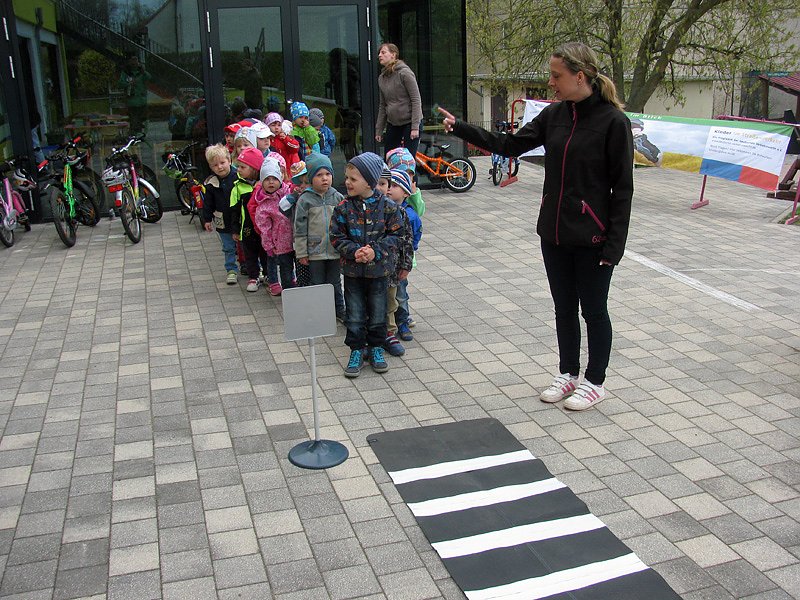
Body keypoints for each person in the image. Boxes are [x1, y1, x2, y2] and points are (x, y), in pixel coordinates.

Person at [439, 42, 634, 411]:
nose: (550, 82)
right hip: (554, 233)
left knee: (593, 310)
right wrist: (463, 129)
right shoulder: (555, 115)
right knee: (563, 307)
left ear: (579, 76)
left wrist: (614, 245)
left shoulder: (613, 122)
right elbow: (510, 145)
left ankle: (595, 381)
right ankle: (568, 373)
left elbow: (623, 189)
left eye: (556, 76)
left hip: (593, 237)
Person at [330, 152, 403, 378]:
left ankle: (376, 348)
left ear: (369, 182)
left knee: (379, 312)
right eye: (347, 178)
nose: (347, 183)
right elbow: (335, 237)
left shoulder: (389, 207)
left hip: (379, 273)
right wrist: (355, 252)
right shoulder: (342, 207)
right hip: (353, 272)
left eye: (353, 179)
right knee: (355, 313)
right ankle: (356, 349)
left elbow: (397, 236)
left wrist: (374, 251)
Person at [293, 154, 346, 319]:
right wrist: (301, 253)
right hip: (314, 251)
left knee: (335, 282)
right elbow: (299, 229)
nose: (324, 179)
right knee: (317, 282)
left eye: (328, 174)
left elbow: (345, 225)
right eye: (319, 175)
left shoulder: (337, 197)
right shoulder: (305, 200)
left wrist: (345, 248)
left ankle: (339, 310)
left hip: (334, 250)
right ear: (310, 178)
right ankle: (320, 313)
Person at [385, 147, 424, 339]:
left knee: (400, 293)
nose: (390, 188)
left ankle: (403, 321)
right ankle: (388, 323)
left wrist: (410, 253)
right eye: (388, 184)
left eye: (395, 185)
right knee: (388, 294)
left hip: (401, 263)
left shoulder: (410, 214)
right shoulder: (382, 210)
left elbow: (416, 233)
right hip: (384, 262)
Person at [382, 169, 416, 358]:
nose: (386, 190)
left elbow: (409, 240)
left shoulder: (403, 213)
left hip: (395, 268)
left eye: (387, 185)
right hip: (374, 268)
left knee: (397, 297)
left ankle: (398, 325)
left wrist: (406, 264)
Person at [252, 158, 295, 294]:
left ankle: (294, 285)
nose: (271, 182)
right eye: (267, 179)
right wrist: (269, 245)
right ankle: (285, 289)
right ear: (262, 182)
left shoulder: (288, 194)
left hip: (295, 240)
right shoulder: (264, 205)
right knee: (285, 268)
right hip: (279, 244)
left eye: (274, 178)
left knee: (297, 267)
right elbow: (264, 229)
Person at [375, 43, 423, 157]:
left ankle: (410, 175)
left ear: (393, 55)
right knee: (389, 157)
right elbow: (383, 105)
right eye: (379, 53)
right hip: (393, 123)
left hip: (410, 122)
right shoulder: (382, 78)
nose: (379, 55)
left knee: (407, 161)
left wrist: (415, 127)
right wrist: (379, 129)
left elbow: (416, 100)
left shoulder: (405, 73)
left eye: (383, 52)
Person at [230, 147, 267, 293]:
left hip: (264, 228)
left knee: (265, 252)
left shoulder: (264, 185)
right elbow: (234, 210)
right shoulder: (238, 187)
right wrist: (235, 229)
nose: (238, 169)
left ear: (254, 168)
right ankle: (253, 276)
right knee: (249, 253)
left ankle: (268, 274)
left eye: (242, 167)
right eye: (238, 166)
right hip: (246, 228)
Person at [202, 144, 239, 285]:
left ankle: (252, 267)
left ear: (229, 160)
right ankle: (231, 269)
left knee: (245, 245)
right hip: (222, 220)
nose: (220, 167)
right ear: (211, 167)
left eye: (222, 163)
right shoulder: (211, 183)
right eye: (215, 165)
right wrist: (207, 219)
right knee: (228, 247)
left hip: (239, 218)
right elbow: (208, 203)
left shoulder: (238, 177)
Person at [119, 55, 152, 135]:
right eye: (132, 60)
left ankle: (139, 134)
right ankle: (135, 134)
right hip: (132, 101)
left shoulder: (141, 72)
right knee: (134, 120)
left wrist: (143, 71)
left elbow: (149, 77)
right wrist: (128, 83)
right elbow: (120, 84)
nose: (134, 63)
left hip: (142, 100)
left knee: (141, 120)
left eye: (136, 60)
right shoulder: (126, 72)